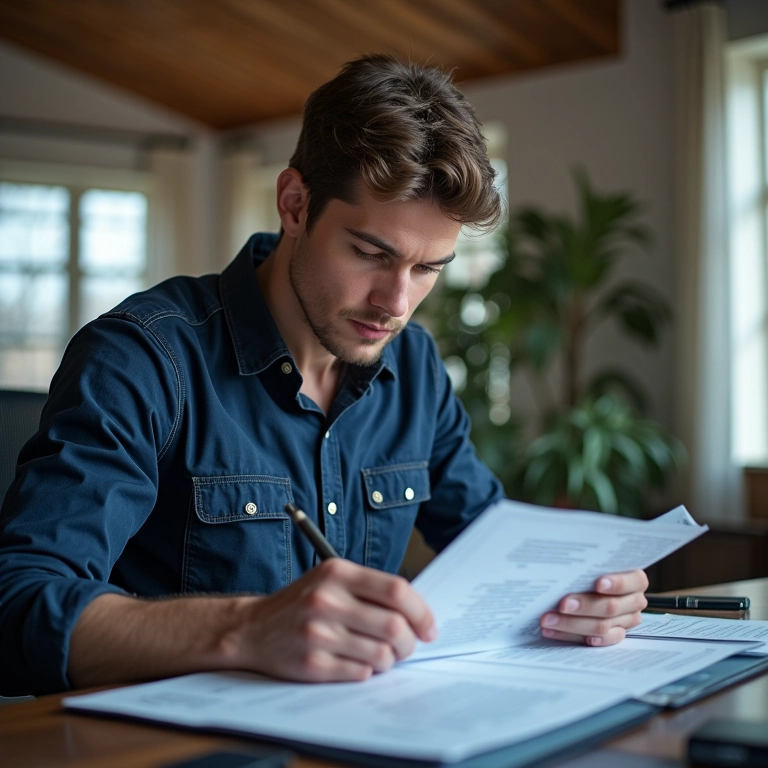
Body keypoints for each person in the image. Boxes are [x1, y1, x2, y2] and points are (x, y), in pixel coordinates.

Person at [0, 55, 648, 696]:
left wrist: (578, 592)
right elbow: (20, 605)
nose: (397, 303)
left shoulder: (414, 367)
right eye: (371, 253)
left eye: (429, 269)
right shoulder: (141, 358)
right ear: (293, 203)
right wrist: (246, 627)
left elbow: (496, 550)